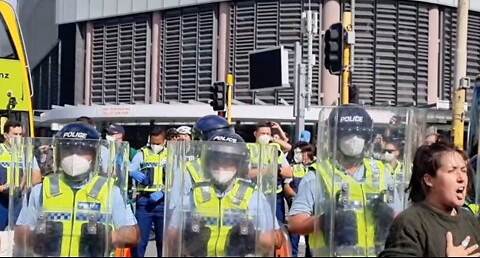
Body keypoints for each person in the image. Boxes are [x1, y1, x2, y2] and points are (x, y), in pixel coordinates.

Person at [288, 105, 404, 257]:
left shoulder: (381, 172)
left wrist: (387, 215)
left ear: (367, 138)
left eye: (359, 135)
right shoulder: (318, 175)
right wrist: (326, 221)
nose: (354, 140)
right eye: (347, 135)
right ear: (334, 138)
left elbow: (402, 219)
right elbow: (295, 223)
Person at [12, 122, 139, 257]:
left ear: (95, 156)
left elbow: (133, 234)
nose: (74, 157)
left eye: (82, 151)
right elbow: (20, 231)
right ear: (59, 154)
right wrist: (34, 238)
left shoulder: (110, 191)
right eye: (68, 150)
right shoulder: (42, 190)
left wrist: (109, 238)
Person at [163, 131, 282, 257]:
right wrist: (187, 237)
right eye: (216, 160)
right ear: (207, 163)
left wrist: (253, 239)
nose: (221, 166)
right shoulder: (192, 196)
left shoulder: (253, 196)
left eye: (228, 161)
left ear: (239, 165)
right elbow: (171, 237)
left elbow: (277, 240)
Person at [379, 141, 480, 257]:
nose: (461, 178)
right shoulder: (411, 222)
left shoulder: (469, 220)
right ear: (429, 180)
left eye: (463, 170)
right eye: (451, 171)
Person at [129, 126, 167, 257]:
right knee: (140, 241)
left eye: (158, 143)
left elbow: (176, 179)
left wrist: (164, 192)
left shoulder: (171, 155)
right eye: (153, 143)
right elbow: (130, 168)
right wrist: (133, 172)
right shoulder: (142, 154)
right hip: (144, 202)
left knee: (163, 242)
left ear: (164, 141)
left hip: (163, 203)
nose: (155, 145)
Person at [0, 120, 42, 231]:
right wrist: (2, 188)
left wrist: (22, 185)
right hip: (1, 199)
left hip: (17, 200)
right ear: (5, 135)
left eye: (20, 135)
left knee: (13, 233)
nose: (18, 138)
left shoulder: (25, 153)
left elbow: (37, 176)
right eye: (15, 134)